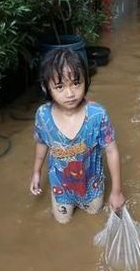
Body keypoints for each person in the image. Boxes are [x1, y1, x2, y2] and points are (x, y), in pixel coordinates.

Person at [29, 48, 125, 223]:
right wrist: (36, 172)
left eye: (76, 83)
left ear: (86, 81)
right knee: (63, 222)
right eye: (59, 86)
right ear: (46, 88)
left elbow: (111, 151)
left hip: (92, 185)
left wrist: (116, 191)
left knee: (94, 214)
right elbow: (42, 143)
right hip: (60, 186)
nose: (70, 93)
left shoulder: (97, 115)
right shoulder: (43, 115)